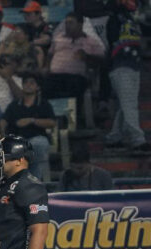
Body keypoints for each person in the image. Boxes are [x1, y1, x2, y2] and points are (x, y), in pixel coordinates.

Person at [104, 2, 150, 152]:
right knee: (129, 104)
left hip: (134, 66)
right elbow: (111, 40)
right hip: (120, 66)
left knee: (125, 105)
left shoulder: (133, 20)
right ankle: (138, 139)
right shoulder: (114, 19)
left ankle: (114, 137)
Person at [0, 73, 56, 181]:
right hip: (17, 139)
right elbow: (4, 120)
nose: (28, 85)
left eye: (31, 83)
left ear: (37, 87)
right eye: (25, 83)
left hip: (37, 137)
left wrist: (32, 121)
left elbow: (52, 122)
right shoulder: (14, 105)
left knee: (39, 144)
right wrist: (2, 132)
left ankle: (35, 181)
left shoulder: (43, 104)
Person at [42, 13, 104, 100]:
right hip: (54, 76)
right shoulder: (58, 38)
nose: (67, 26)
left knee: (75, 88)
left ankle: (74, 112)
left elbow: (101, 60)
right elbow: (50, 54)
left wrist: (87, 56)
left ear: (80, 24)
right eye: (66, 23)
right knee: (45, 87)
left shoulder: (91, 41)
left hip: (76, 77)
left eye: (71, 23)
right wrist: (46, 67)